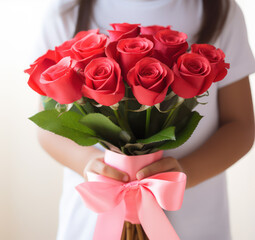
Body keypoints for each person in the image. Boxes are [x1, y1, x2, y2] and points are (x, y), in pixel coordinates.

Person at [34, 0, 255, 239]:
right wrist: (88, 163)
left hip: (194, 216)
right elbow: (49, 128)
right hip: (93, 216)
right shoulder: (66, 12)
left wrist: (182, 175)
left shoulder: (220, 9)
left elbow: (241, 124)